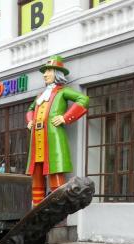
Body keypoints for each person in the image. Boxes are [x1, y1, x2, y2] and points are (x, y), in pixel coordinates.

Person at [26, 55, 89, 205]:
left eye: (48, 71)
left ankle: (58, 210)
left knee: (55, 173)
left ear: (57, 73)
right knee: (36, 176)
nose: (45, 74)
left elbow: (83, 99)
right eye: (45, 72)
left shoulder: (62, 92)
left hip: (53, 139)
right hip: (36, 141)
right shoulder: (40, 96)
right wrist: (30, 121)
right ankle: (37, 209)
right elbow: (30, 109)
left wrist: (65, 118)